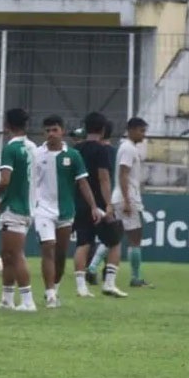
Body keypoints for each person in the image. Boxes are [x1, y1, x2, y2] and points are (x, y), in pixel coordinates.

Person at [33, 115, 102, 308]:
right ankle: (50, 294)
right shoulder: (36, 154)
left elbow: (82, 182)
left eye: (54, 130)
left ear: (62, 131)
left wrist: (94, 206)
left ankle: (54, 287)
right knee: (48, 247)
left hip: (65, 211)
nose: (51, 134)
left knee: (61, 254)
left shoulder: (72, 156)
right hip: (42, 210)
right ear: (43, 133)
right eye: (47, 131)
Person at [72, 112, 127, 298]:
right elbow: (104, 178)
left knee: (83, 243)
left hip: (80, 201)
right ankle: (109, 283)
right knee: (115, 240)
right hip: (100, 204)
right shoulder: (102, 150)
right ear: (103, 130)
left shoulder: (76, 149)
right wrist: (109, 204)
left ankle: (81, 286)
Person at [0, 108, 37, 312]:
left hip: (14, 208)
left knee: (15, 254)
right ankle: (7, 299)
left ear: (7, 125)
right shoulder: (33, 146)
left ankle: (28, 301)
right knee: (6, 254)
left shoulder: (11, 148)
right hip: (28, 206)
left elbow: (5, 180)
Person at [113, 117, 150, 287]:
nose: (143, 135)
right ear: (132, 130)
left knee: (115, 236)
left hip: (121, 196)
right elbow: (123, 174)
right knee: (135, 238)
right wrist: (128, 201)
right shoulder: (128, 149)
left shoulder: (127, 147)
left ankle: (92, 268)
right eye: (141, 131)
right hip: (127, 197)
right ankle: (136, 277)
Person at [85, 119, 120, 282]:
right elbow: (108, 177)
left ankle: (90, 268)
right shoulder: (112, 151)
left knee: (90, 237)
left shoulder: (90, 150)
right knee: (112, 236)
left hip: (91, 196)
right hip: (110, 198)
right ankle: (102, 269)